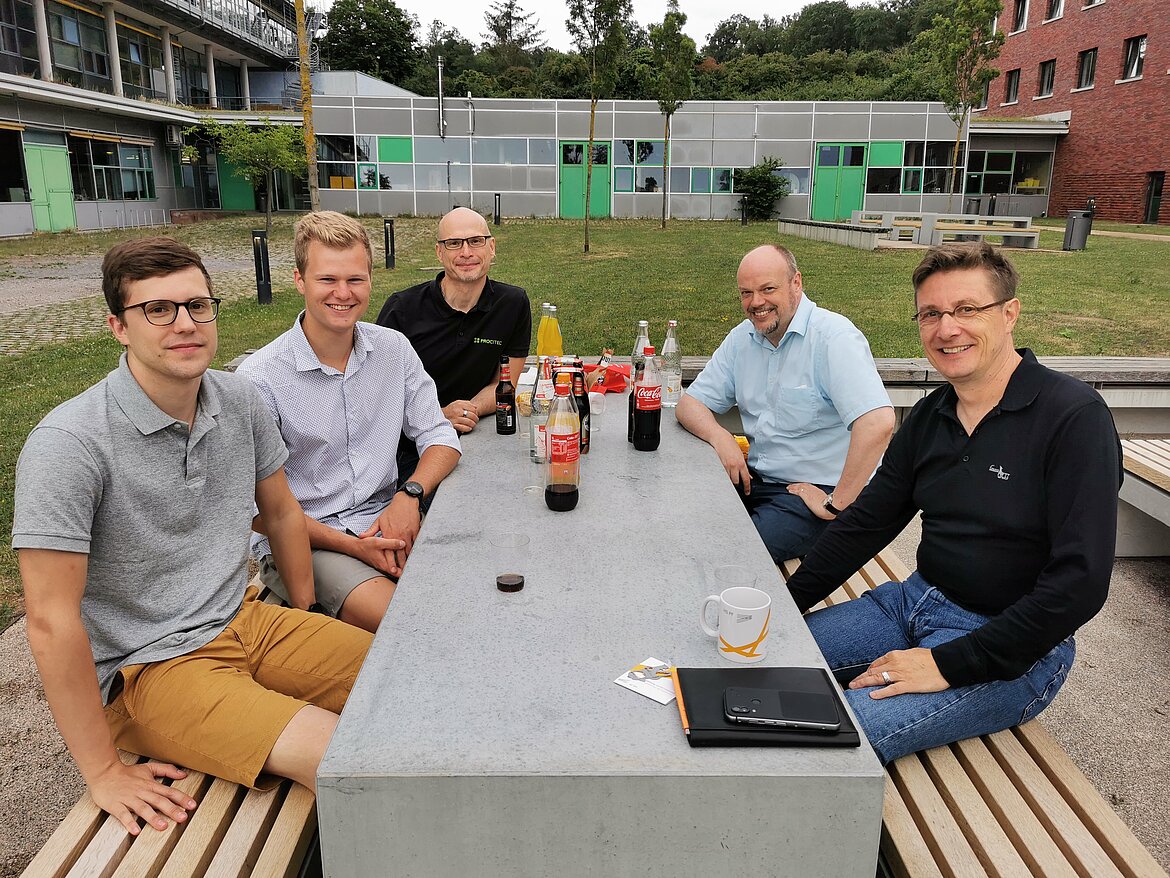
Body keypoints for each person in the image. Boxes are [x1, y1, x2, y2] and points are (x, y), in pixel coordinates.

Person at [13, 237, 372, 835]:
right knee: (352, 760)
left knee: (413, 688)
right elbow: (51, 620)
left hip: (249, 617)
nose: (185, 323)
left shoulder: (240, 399)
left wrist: (306, 612)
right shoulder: (69, 445)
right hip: (150, 667)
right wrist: (102, 772)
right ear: (118, 327)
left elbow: (281, 514)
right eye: (158, 309)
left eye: (198, 305)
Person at [786, 242, 1122, 765]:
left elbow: (1080, 584)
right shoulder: (930, 415)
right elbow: (868, 523)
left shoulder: (1073, 417)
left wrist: (946, 664)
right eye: (931, 314)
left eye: (967, 309)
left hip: (1012, 646)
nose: (947, 328)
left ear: (1010, 313)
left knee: (824, 733)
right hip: (910, 603)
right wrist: (785, 606)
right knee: (766, 663)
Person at [239, 212, 461, 633]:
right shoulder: (260, 379)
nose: (343, 293)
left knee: (471, 590)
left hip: (387, 518)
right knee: (414, 626)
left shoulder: (393, 349)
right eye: (327, 280)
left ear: (371, 280)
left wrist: (409, 496)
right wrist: (358, 548)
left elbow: (439, 435)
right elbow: (257, 512)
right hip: (309, 541)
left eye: (356, 280)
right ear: (299, 280)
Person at [676, 244, 895, 563]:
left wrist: (834, 504)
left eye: (767, 289)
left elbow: (878, 423)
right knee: (677, 517)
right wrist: (720, 437)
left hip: (816, 491)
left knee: (734, 554)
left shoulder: (833, 338)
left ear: (796, 283)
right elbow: (690, 404)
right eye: (746, 293)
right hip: (757, 480)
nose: (756, 303)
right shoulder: (743, 339)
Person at [376, 207, 531, 482]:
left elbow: (504, 385)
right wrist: (438, 416)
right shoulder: (402, 309)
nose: (466, 253)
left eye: (475, 241)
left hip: (478, 434)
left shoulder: (513, 304)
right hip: (410, 448)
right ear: (439, 252)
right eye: (454, 243)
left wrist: (468, 409)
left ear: (491, 247)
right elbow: (378, 398)